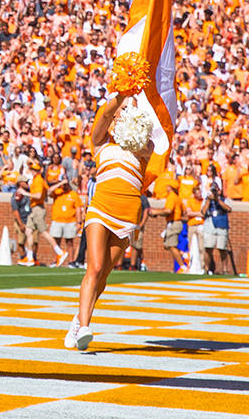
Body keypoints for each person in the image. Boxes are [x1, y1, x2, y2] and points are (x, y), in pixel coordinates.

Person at [64, 96, 152, 352]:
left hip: (127, 213)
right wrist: (121, 96)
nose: (127, 112)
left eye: (132, 109)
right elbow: (102, 118)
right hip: (100, 208)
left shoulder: (143, 145)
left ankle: (77, 320)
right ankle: (85, 327)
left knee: (104, 273)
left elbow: (147, 146)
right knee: (95, 265)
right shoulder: (101, 141)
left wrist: (133, 121)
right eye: (123, 109)